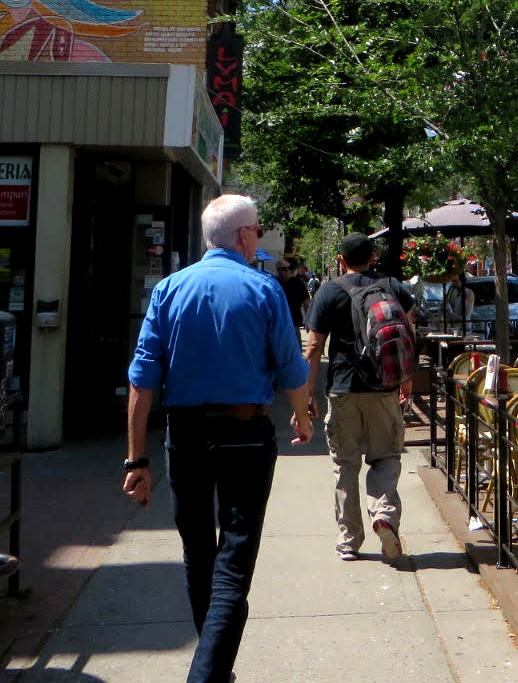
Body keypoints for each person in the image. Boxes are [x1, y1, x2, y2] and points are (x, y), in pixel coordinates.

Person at [125, 194, 313, 683]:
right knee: (235, 555)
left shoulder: (168, 289)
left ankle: (213, 666)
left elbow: (142, 379)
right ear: (243, 235)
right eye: (256, 230)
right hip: (245, 433)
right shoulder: (263, 289)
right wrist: (301, 416)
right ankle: (208, 674)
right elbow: (291, 366)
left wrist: (135, 460)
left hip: (184, 433)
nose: (257, 238)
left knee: (197, 550)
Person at [304, 233, 417, 563]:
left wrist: (307, 395)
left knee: (345, 464)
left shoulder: (330, 290)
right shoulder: (393, 286)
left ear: (341, 260)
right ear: (373, 257)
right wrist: (405, 380)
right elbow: (407, 334)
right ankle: (384, 513)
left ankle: (349, 541)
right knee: (386, 457)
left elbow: (313, 347)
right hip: (383, 388)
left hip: (342, 389)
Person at [274, 256, 309, 334]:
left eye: (286, 268)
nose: (286, 270)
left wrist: (308, 320)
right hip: (276, 323)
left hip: (293, 322)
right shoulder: (273, 283)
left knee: (295, 345)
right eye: (278, 269)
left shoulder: (298, 284)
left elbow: (306, 302)